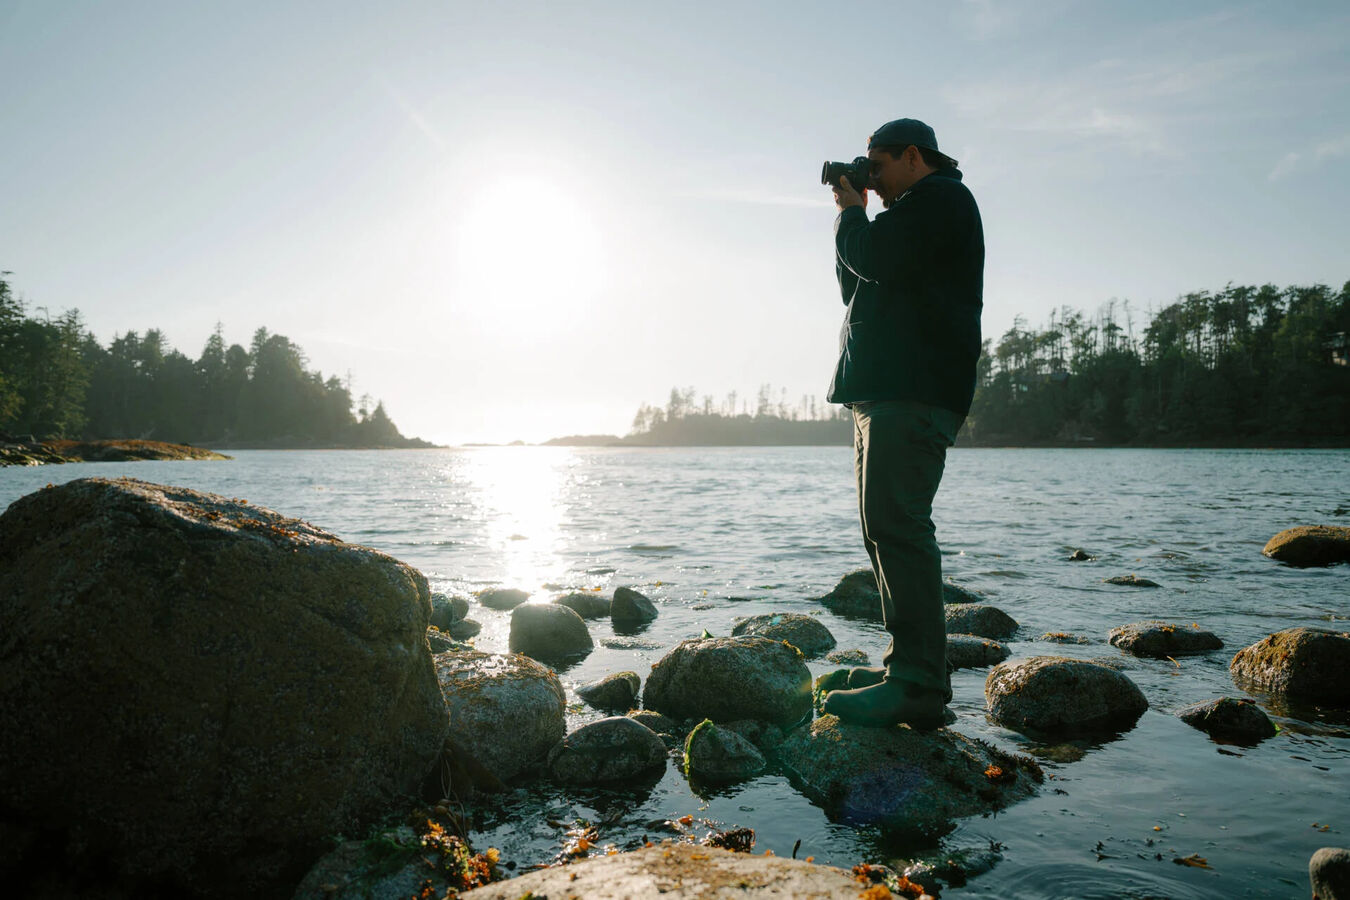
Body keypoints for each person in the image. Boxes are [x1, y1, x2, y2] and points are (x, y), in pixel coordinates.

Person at [820, 118, 984, 728]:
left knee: (899, 526)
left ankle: (918, 683)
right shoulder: (911, 211)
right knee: (881, 529)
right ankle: (905, 667)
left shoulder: (942, 201)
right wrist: (852, 211)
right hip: (883, 392)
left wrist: (852, 211)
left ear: (913, 156)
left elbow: (874, 258)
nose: (874, 180)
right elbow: (854, 279)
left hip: (912, 391)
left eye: (878, 166)